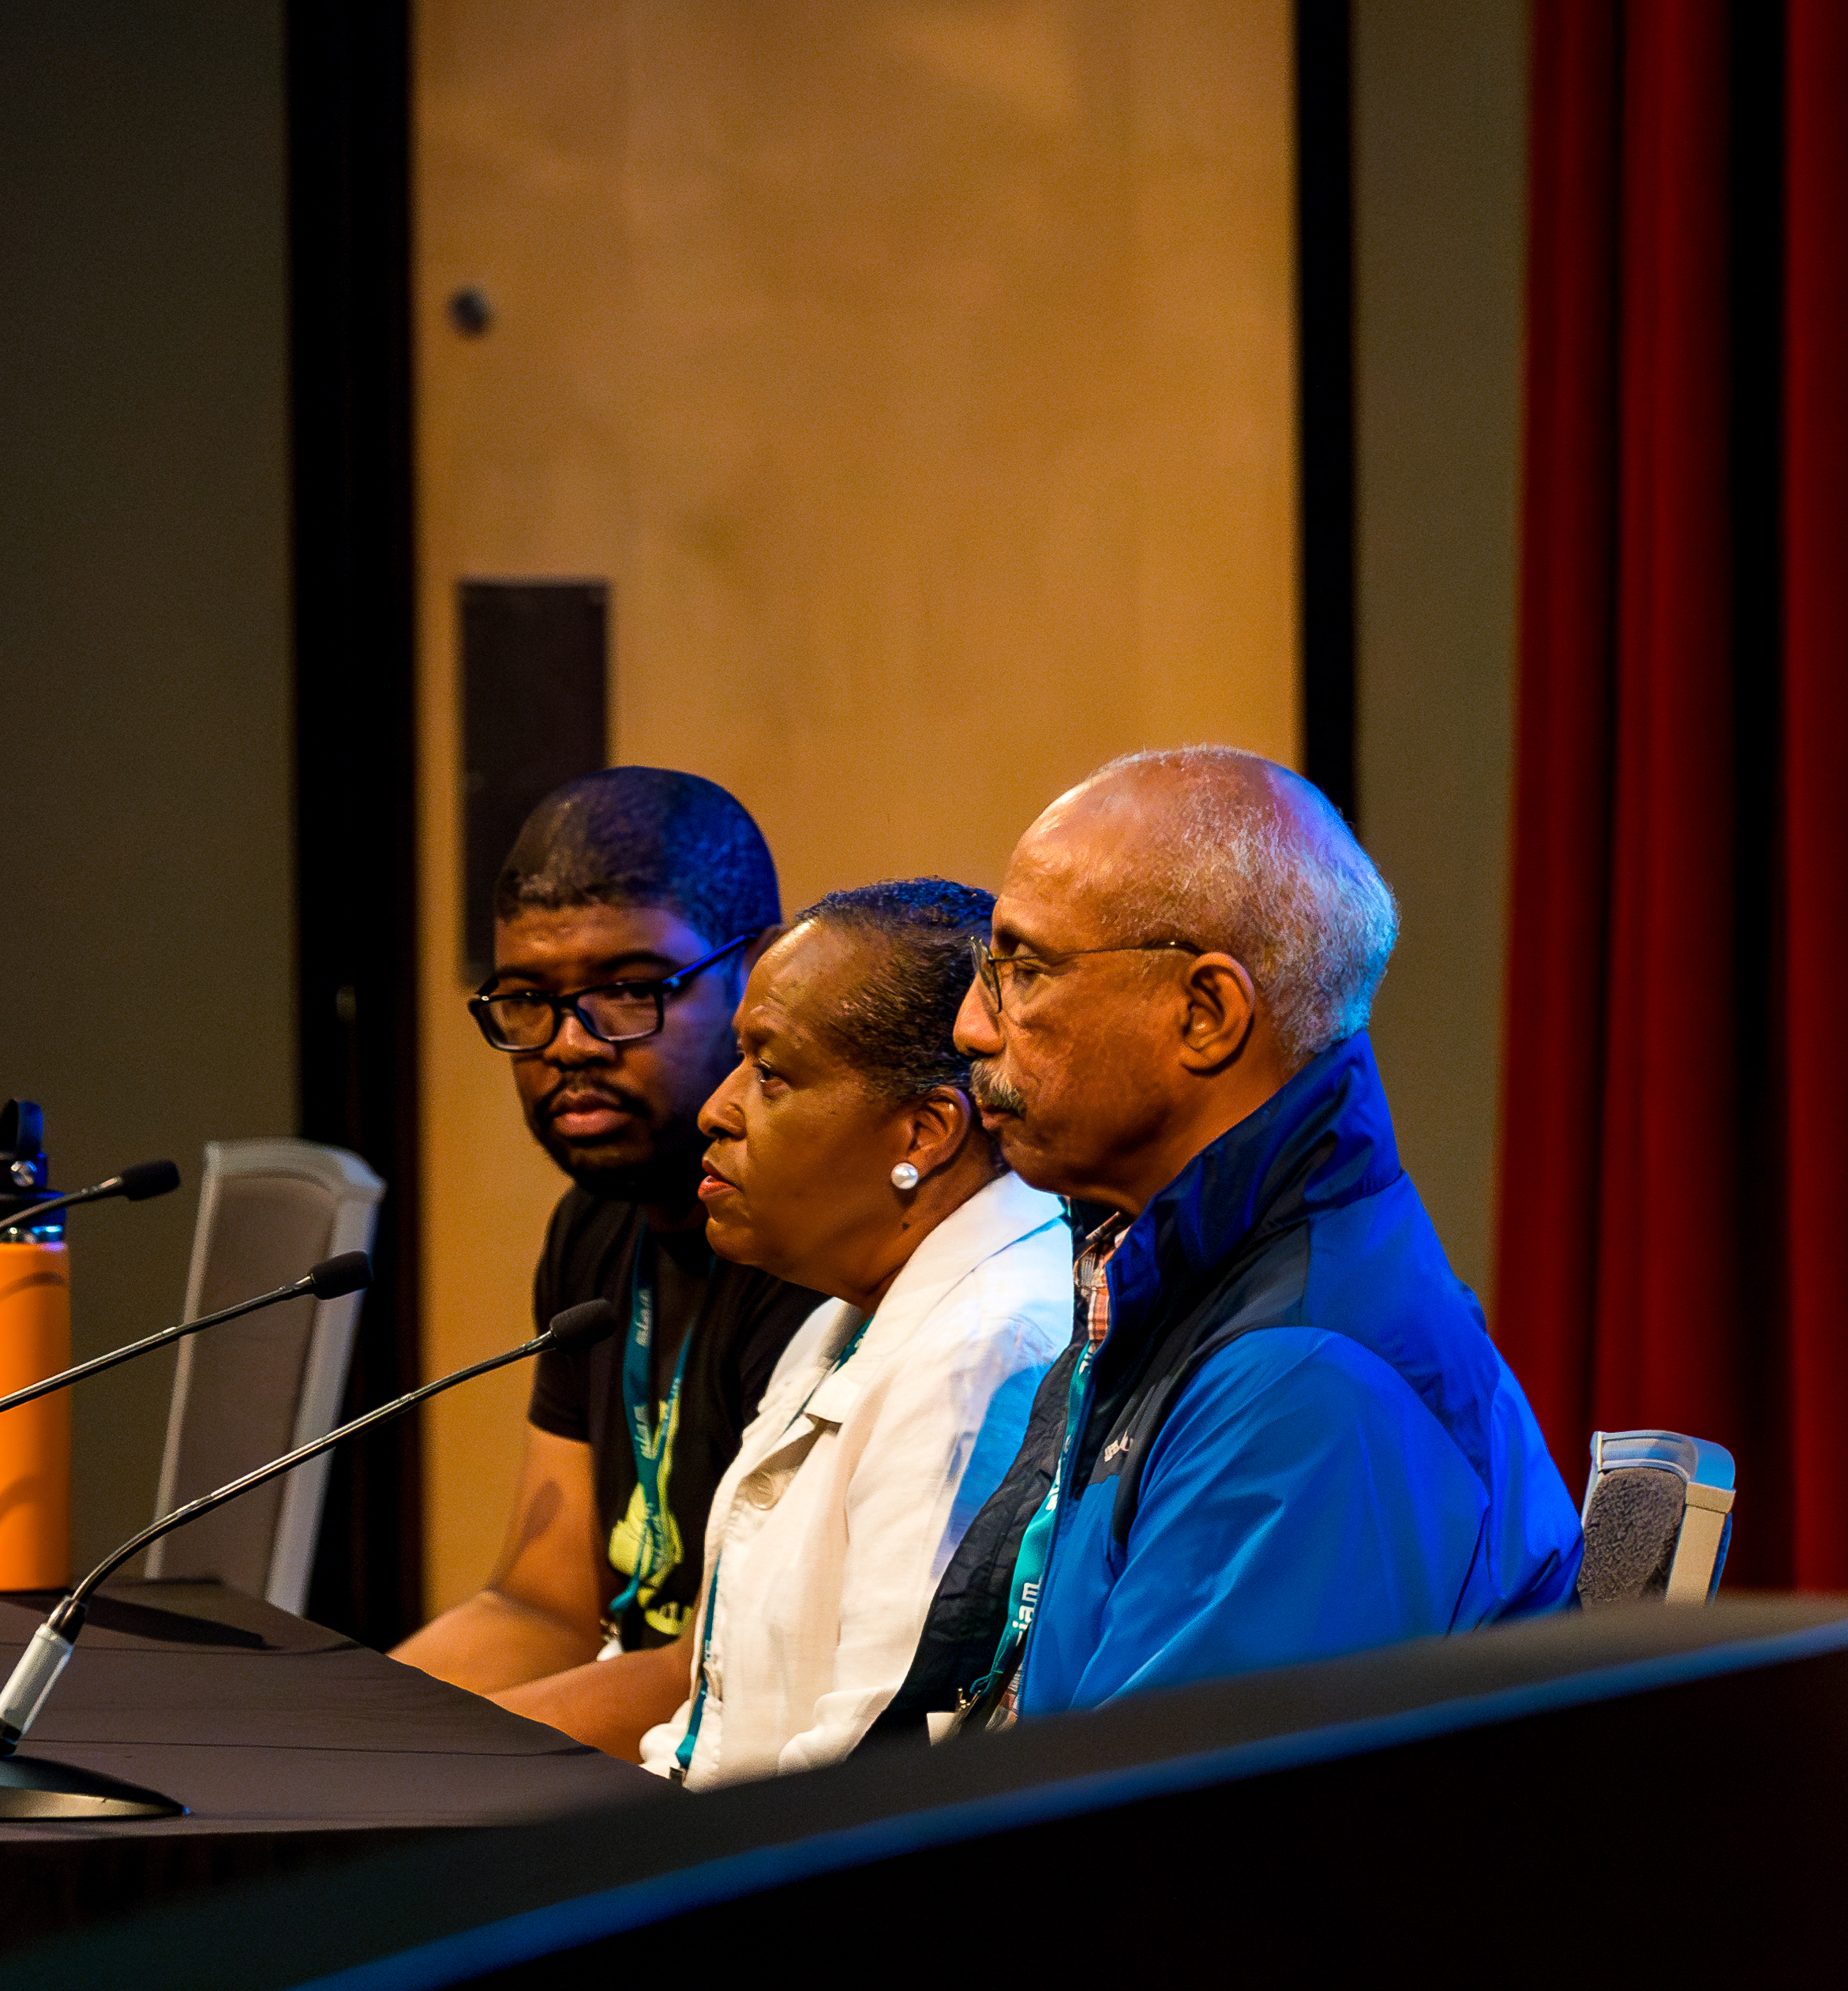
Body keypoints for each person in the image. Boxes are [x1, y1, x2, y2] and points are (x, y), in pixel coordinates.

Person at [880, 745, 1574, 1739]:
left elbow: (1160, 1853)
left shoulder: (1302, 1383)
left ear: (1204, 1014)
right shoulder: (1170, 1275)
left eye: (1022, 972)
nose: (972, 1026)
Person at [392, 769, 827, 1755]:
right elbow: (542, 1605)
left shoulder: (811, 1254)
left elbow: (717, 1669)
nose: (569, 1045)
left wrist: (412, 1769)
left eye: (628, 990)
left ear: (758, 976)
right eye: (527, 1000)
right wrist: (331, 1737)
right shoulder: (592, 1228)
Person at [637, 880, 1073, 1785]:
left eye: (770, 1072)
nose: (715, 1110)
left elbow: (865, 1771)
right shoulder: (843, 1313)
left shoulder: (988, 1345)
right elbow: (710, 1727)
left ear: (924, 1129)